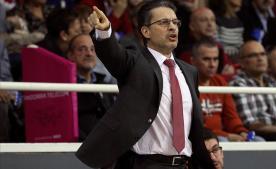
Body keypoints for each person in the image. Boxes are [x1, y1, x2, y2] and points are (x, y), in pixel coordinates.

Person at [76, 1, 214, 169]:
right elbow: (113, 54)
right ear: (145, 31)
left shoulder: (190, 71)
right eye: (164, 22)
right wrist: (104, 31)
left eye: (175, 22)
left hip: (184, 164)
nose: (172, 27)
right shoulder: (135, 63)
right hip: (146, 164)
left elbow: (193, 125)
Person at [191, 37, 264, 142]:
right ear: (193, 61)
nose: (212, 65)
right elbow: (196, 125)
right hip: (200, 136)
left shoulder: (220, 82)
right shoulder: (187, 82)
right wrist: (227, 136)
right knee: (222, 141)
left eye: (215, 59)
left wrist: (241, 132)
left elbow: (231, 117)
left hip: (223, 135)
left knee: (258, 140)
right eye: (206, 59)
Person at [229, 40, 276, 141]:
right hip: (259, 135)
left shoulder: (274, 84)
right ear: (242, 62)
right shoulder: (238, 84)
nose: (260, 59)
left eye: (263, 54)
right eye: (253, 55)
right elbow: (251, 124)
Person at [66, 33, 116, 141]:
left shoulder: (105, 85)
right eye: (82, 49)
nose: (89, 53)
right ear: (70, 55)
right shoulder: (64, 87)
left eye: (92, 49)